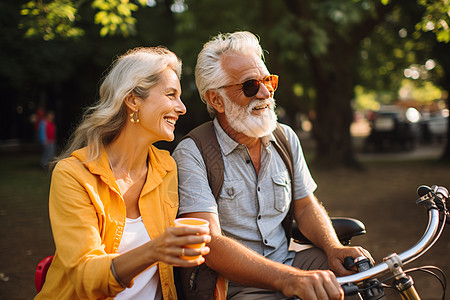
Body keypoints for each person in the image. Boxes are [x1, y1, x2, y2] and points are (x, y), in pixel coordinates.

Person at [172, 31, 372, 300]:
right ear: (216, 100)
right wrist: (289, 280)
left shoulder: (285, 137)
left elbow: (305, 204)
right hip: (235, 285)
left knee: (360, 280)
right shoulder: (192, 152)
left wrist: (334, 248)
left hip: (290, 264)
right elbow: (210, 243)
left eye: (268, 81)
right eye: (250, 86)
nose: (265, 92)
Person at [35, 47, 211, 300]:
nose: (181, 107)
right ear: (133, 100)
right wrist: (154, 250)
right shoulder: (73, 175)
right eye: (171, 95)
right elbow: (86, 277)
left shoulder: (167, 168)